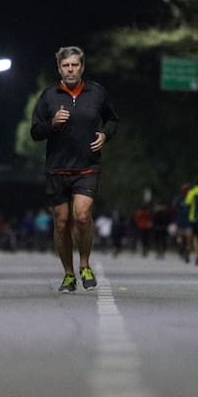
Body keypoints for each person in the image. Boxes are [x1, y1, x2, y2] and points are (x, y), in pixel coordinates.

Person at [29, 46, 119, 292]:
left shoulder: (97, 92)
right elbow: (35, 132)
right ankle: (68, 274)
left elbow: (112, 119)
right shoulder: (49, 96)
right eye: (66, 66)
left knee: (81, 216)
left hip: (87, 166)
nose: (70, 69)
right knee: (61, 223)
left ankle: (85, 264)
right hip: (57, 168)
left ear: (82, 67)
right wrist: (52, 123)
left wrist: (105, 134)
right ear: (59, 69)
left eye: (75, 65)